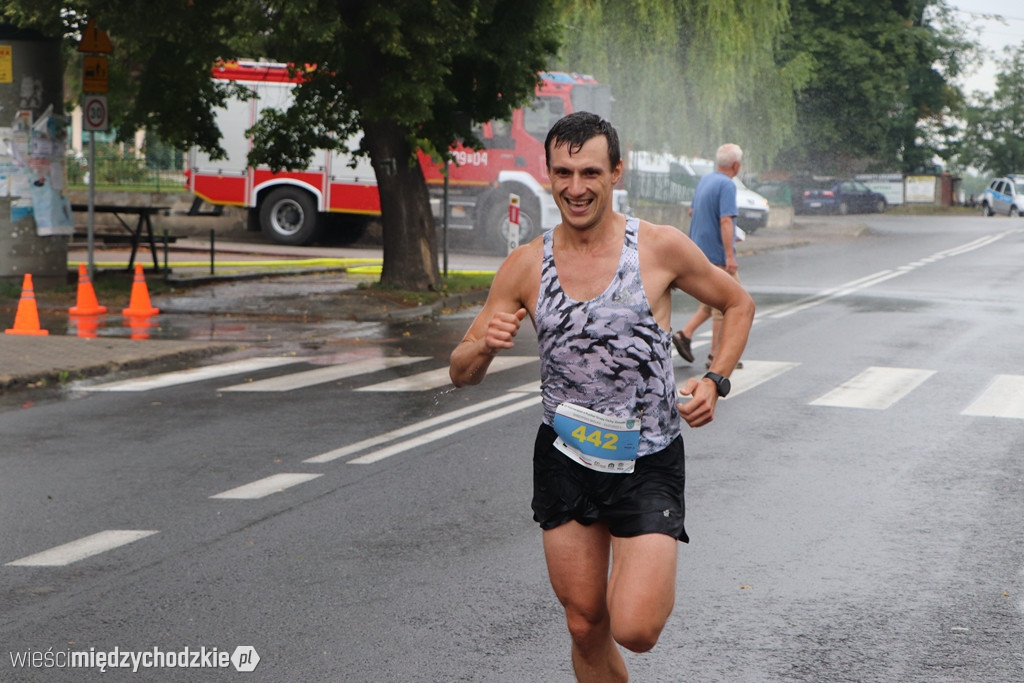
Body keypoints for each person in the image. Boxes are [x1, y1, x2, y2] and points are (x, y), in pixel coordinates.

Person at [449, 112, 754, 682]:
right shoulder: (524, 266)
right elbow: (460, 371)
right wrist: (484, 348)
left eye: (590, 171)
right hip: (565, 457)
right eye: (562, 172)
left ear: (617, 171)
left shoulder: (659, 248)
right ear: (548, 174)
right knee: (584, 624)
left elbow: (738, 303)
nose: (576, 187)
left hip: (647, 460)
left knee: (634, 628)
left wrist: (715, 379)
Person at [672, 143, 745, 370]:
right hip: (717, 254)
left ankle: (685, 334)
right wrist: (730, 256)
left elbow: (693, 211)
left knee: (710, 301)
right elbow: (725, 221)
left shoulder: (706, 180)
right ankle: (716, 357)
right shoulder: (727, 185)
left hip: (698, 250)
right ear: (736, 165)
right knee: (730, 303)